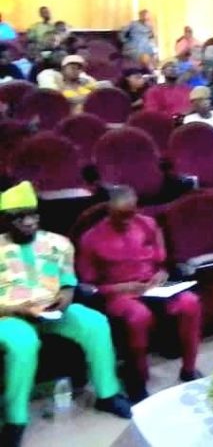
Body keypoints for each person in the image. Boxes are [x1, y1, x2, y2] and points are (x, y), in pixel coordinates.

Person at [0, 182, 132, 445]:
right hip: (9, 316)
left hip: (52, 310)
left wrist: (66, 297)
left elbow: (68, 281)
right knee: (24, 344)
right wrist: (17, 309)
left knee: (95, 323)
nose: (28, 222)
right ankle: (15, 419)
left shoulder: (58, 244)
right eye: (19, 217)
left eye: (32, 214)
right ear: (5, 220)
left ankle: (107, 394)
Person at [77, 186, 203, 402]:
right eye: (121, 216)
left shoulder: (148, 225)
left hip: (153, 288)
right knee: (139, 317)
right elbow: (89, 285)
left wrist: (162, 274)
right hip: (119, 294)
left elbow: (162, 264)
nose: (127, 220)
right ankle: (138, 379)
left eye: (131, 213)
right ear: (108, 210)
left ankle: (189, 369)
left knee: (191, 303)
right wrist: (123, 288)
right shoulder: (91, 238)